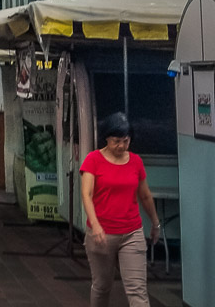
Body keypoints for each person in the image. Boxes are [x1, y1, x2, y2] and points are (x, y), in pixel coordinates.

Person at [80, 112, 160, 307]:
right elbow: (86, 194)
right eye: (117, 141)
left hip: (132, 232)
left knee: (137, 290)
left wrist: (155, 223)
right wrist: (96, 225)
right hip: (102, 234)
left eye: (126, 141)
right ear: (106, 138)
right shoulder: (93, 160)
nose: (122, 146)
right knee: (102, 286)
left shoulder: (135, 162)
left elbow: (145, 195)